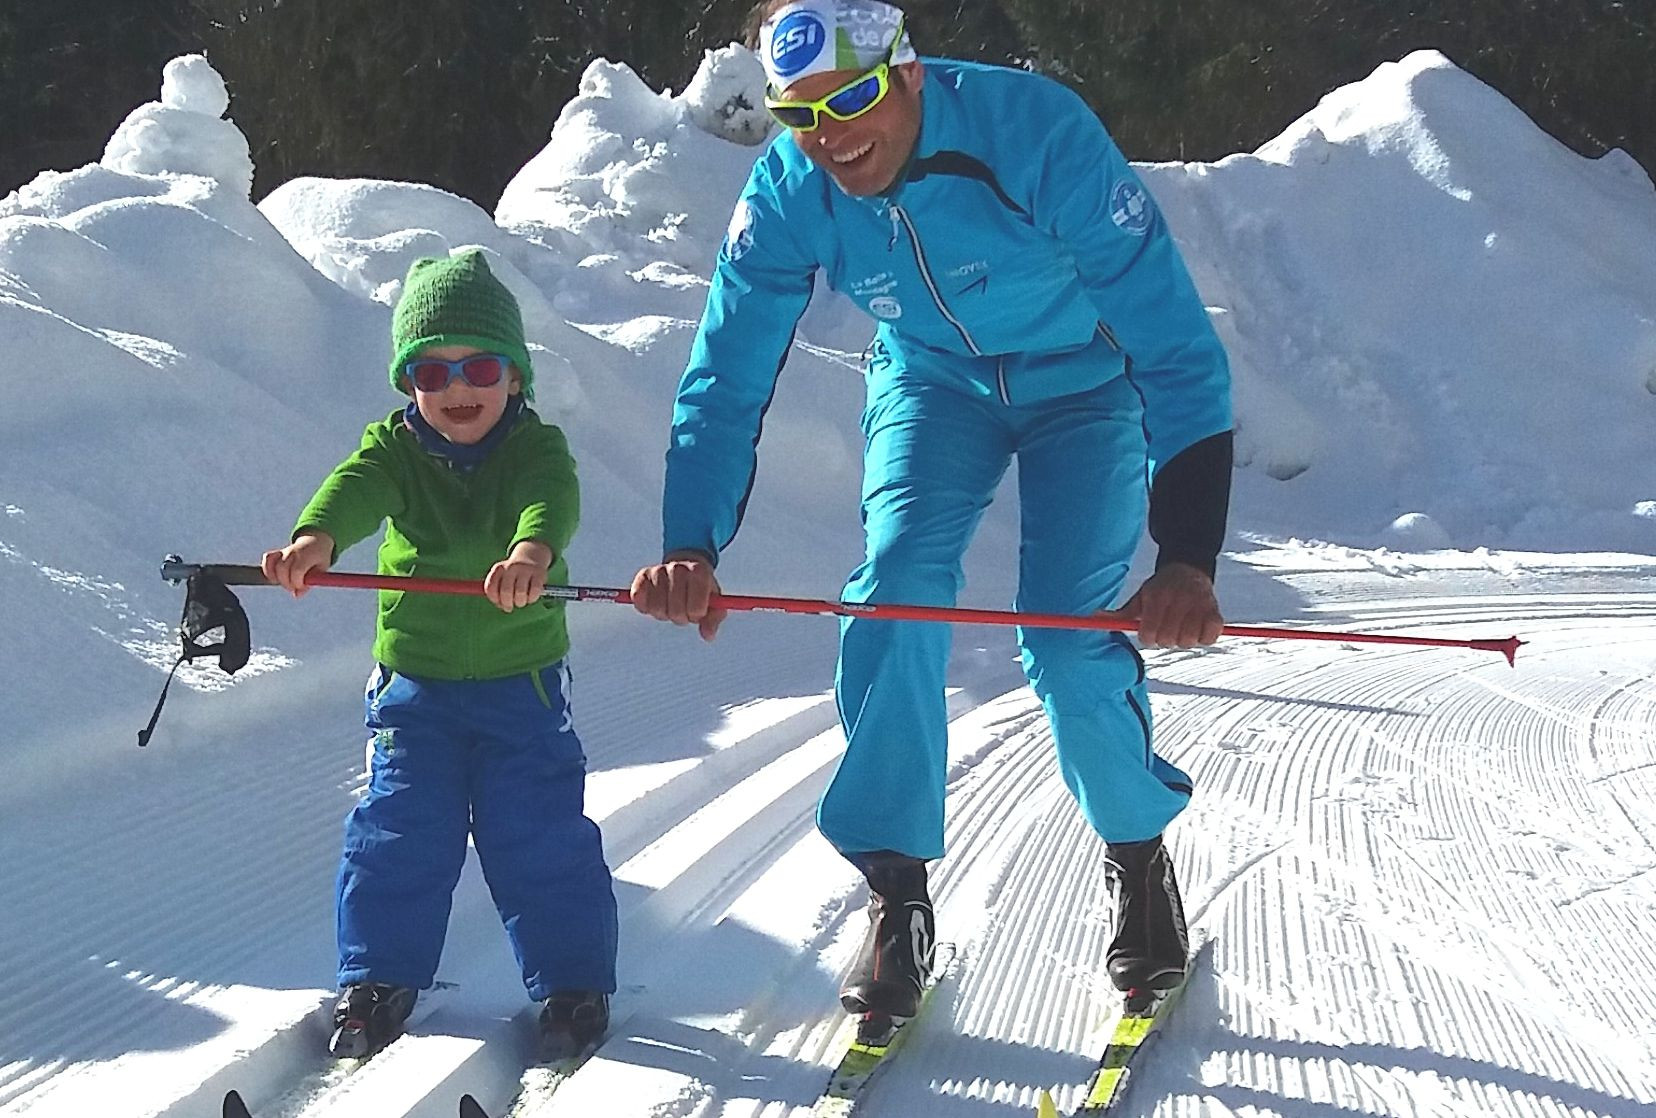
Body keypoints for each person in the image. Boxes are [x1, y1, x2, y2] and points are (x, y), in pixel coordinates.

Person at [631, 0, 1233, 1025]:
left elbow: (1175, 349)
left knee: (1067, 631)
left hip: (1085, 383)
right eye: (799, 114)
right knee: (894, 592)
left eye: (853, 97)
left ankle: (1138, 857)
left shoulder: (1037, 130)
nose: (832, 135)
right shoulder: (789, 187)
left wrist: (1187, 556)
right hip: (933, 380)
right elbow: (725, 373)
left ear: (906, 73)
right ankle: (897, 891)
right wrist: (689, 542)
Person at [262, 249, 618, 1060]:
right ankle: (378, 977)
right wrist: (316, 538)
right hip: (414, 689)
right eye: (430, 371)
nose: (457, 388)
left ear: (516, 378)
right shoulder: (397, 449)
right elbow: (355, 486)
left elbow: (548, 502)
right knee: (399, 829)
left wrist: (532, 555)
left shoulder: (537, 449)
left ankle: (572, 984)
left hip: (518, 687)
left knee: (538, 835)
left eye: (481, 366)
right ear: (408, 385)